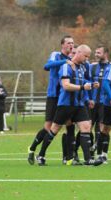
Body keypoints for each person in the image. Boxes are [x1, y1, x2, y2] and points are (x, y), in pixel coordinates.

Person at [30, 44, 103, 166]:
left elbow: (82, 82)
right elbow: (66, 85)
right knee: (54, 130)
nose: (87, 59)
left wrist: (90, 86)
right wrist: (82, 87)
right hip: (65, 105)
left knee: (86, 127)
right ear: (78, 53)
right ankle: (41, 155)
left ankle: (88, 159)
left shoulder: (82, 68)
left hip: (79, 105)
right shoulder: (65, 66)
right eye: (85, 56)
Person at [27, 35, 75, 164]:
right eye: (69, 43)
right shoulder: (56, 55)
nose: (71, 45)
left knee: (69, 125)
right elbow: (47, 66)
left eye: (73, 43)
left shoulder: (73, 58)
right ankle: (32, 149)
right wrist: (64, 62)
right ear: (62, 45)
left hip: (65, 98)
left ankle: (68, 157)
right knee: (48, 127)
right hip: (54, 96)